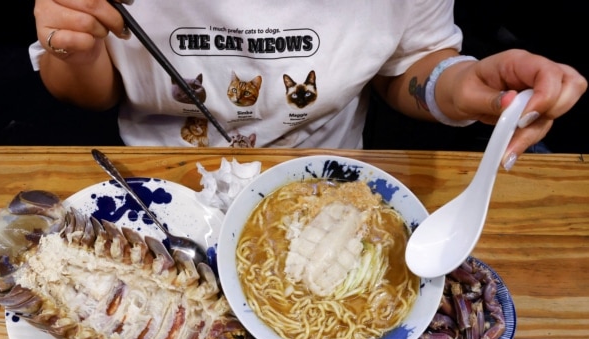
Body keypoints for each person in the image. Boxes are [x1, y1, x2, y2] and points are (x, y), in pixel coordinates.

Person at [30, 0, 586, 169]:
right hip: (157, 178)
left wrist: (460, 84)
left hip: (325, 176)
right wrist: (75, 49)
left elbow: (410, 66)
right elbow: (91, 94)